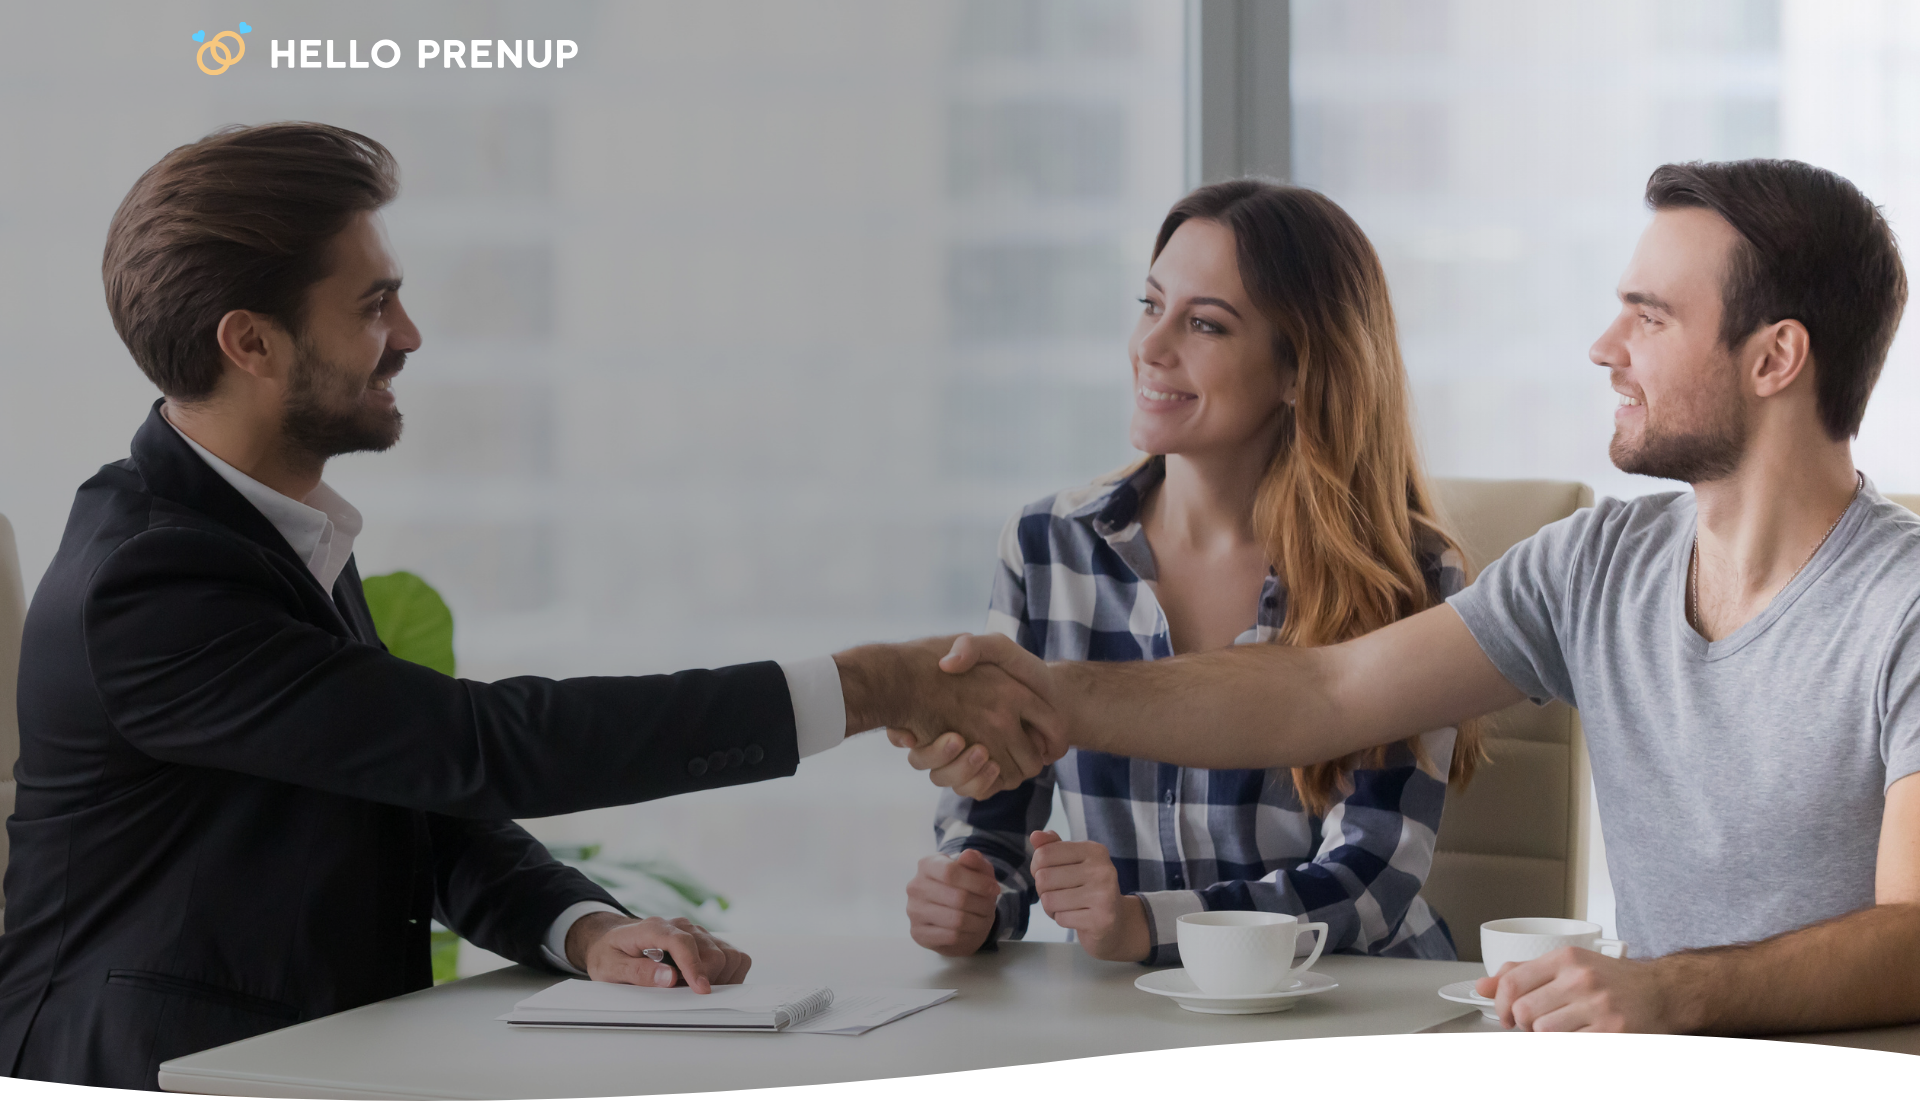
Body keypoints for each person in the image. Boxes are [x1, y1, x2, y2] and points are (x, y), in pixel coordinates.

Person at [0, 123, 1063, 1089]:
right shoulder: (151, 581)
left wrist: (584, 926)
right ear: (251, 342)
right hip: (145, 1083)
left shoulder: (266, 524)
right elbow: (481, 745)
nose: (409, 332)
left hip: (288, 1068)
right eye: (372, 303)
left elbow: (411, 789)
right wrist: (871, 683)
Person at [914, 158, 1920, 1036]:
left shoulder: (1902, 601)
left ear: (1776, 356)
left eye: (1649, 316)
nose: (1605, 345)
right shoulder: (1595, 564)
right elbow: (1326, 692)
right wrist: (1046, 694)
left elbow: (1914, 935)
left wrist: (1671, 991)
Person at [902, 181, 1482, 967]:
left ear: (1299, 370)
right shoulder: (1047, 548)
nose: (1152, 344)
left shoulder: (1406, 577)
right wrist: (973, 893)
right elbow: (992, 815)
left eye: (1204, 323)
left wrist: (1150, 924)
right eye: (1150, 305)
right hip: (1135, 1020)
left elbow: (1370, 879)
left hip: (1350, 1008)